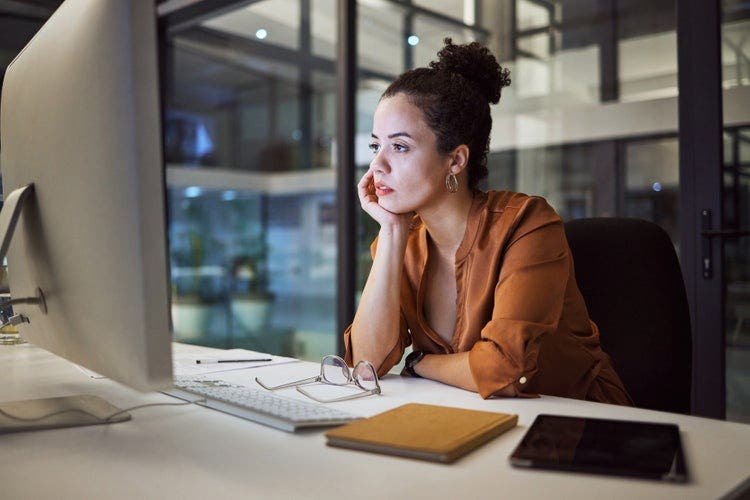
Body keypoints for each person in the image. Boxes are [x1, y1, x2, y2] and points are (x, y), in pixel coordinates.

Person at [344, 38, 632, 405]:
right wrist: (392, 231)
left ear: (456, 160)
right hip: (471, 418)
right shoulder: (403, 242)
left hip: (575, 426)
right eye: (375, 146)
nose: (377, 166)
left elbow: (504, 369)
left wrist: (420, 363)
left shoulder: (526, 224)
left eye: (399, 147)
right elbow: (367, 364)